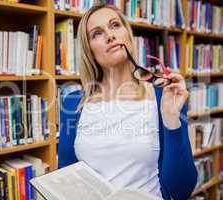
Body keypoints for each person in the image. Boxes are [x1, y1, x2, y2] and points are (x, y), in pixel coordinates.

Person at [57, 4, 197, 200]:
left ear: (127, 34)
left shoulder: (162, 95)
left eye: (115, 25)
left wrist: (172, 118)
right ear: (88, 49)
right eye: (97, 33)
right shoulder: (73, 104)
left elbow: (182, 190)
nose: (110, 35)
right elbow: (66, 180)